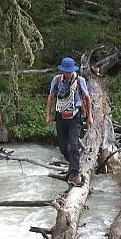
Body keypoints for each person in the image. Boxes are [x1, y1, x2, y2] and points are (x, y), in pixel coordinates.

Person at [46, 57, 93, 186]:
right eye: (65, 71)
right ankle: (73, 166)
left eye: (69, 71)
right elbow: (51, 97)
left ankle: (75, 174)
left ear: (72, 70)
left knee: (73, 146)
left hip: (74, 117)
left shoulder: (79, 81)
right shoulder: (57, 80)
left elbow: (87, 98)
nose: (67, 73)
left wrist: (89, 116)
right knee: (63, 148)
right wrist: (48, 114)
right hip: (60, 117)